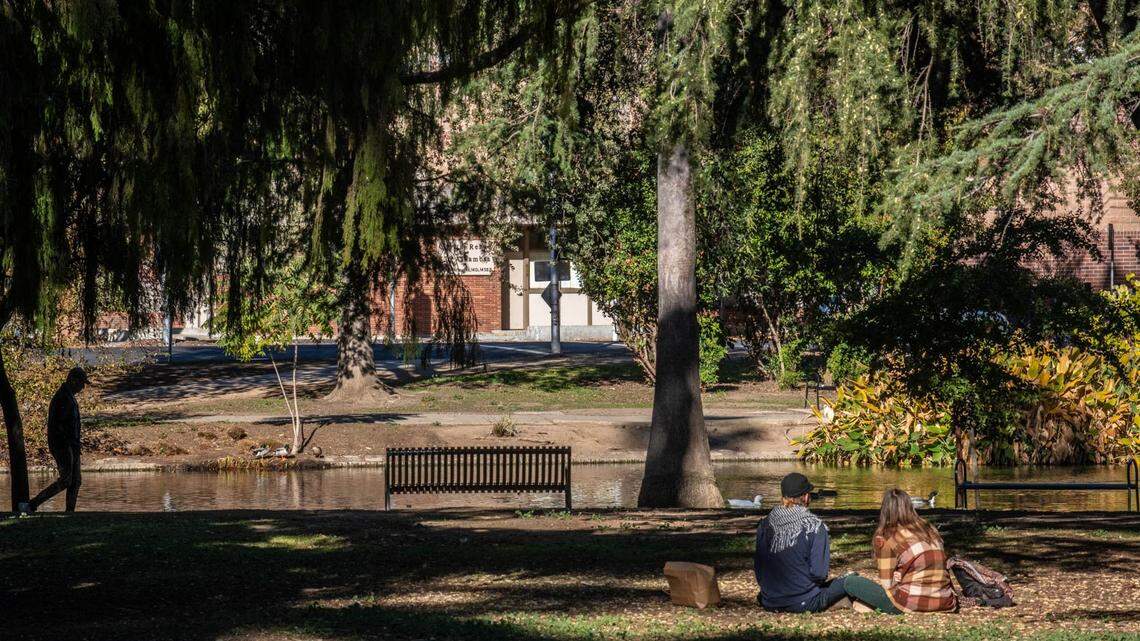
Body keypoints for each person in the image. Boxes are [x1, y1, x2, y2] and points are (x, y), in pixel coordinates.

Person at [842, 488, 958, 614]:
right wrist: (902, 575)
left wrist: (897, 578)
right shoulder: (930, 530)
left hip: (912, 603)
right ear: (909, 507)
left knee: (851, 581)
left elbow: (887, 585)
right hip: (946, 601)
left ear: (885, 511)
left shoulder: (889, 538)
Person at [753, 472, 849, 612]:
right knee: (851, 580)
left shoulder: (766, 523)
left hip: (770, 600)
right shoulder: (814, 526)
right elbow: (819, 574)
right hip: (803, 602)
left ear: (783, 496)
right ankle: (892, 607)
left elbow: (759, 568)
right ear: (806, 496)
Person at [21, 367, 89, 513]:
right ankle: (32, 504)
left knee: (75, 481)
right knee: (66, 480)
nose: (83, 387)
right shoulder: (62, 397)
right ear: (72, 380)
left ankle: (70, 512)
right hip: (63, 446)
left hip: (72, 446)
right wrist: (68, 446)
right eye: (81, 383)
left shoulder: (69, 396)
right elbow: (58, 426)